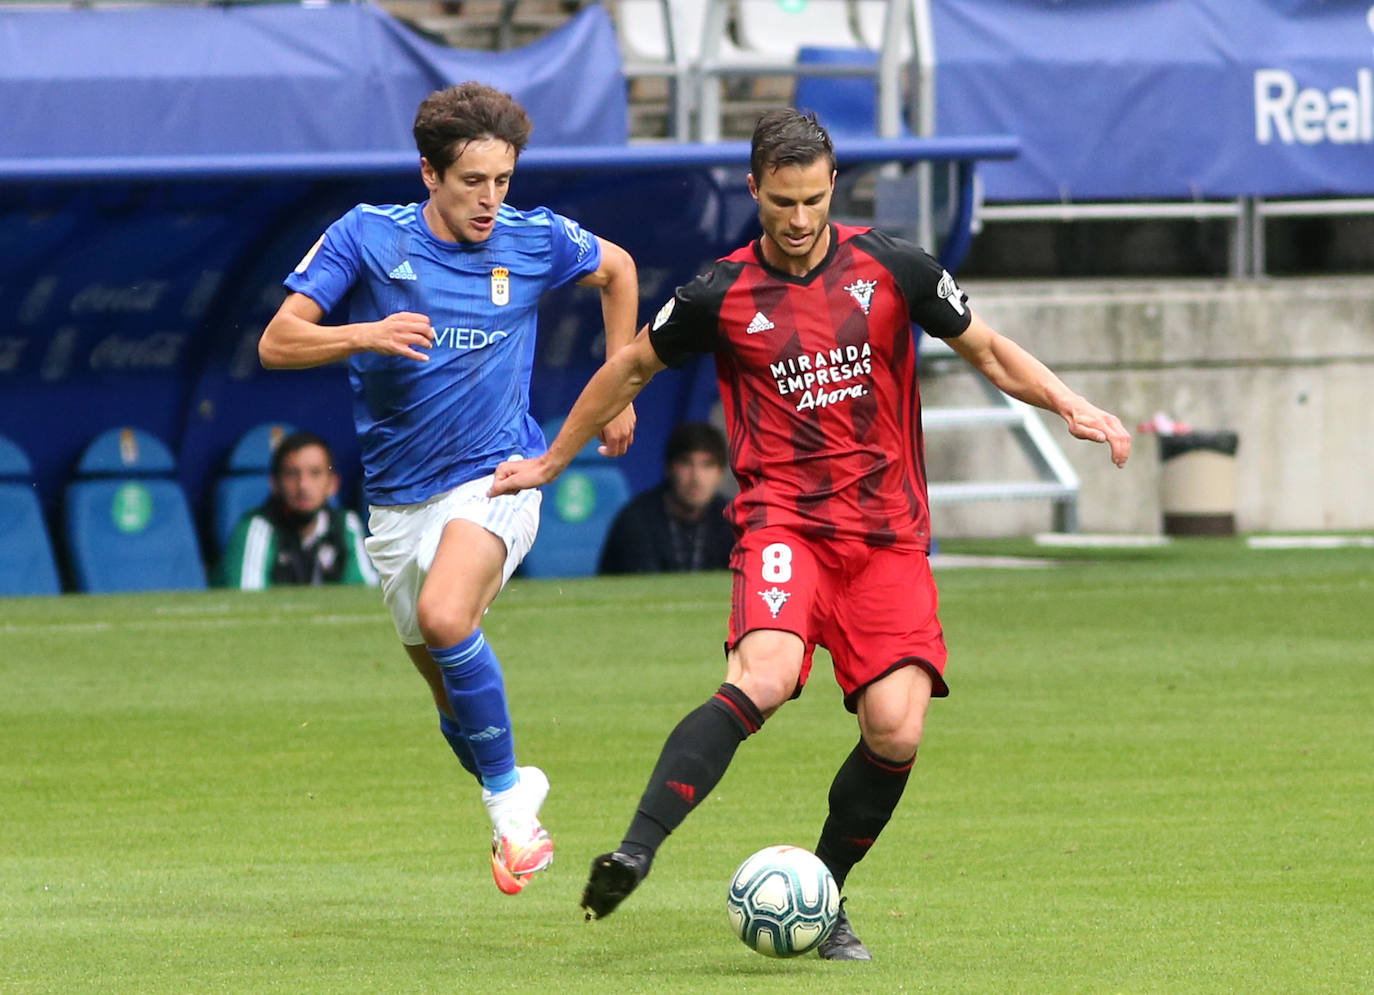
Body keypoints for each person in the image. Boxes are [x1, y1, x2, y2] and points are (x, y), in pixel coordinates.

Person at [491, 108, 1130, 954]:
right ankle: (636, 850)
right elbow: (630, 366)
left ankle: (823, 898)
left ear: (835, 186)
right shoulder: (718, 292)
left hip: (887, 538)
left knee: (896, 726)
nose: (798, 221)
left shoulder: (895, 267)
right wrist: (549, 460)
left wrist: (1074, 403)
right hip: (784, 524)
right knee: (764, 672)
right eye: (781, 202)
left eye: (813, 201)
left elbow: (990, 350)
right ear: (755, 189)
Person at [258, 81, 638, 896]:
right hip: (397, 501)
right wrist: (365, 331)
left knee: (444, 615)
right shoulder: (368, 235)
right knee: (451, 702)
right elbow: (277, 341)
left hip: (498, 474)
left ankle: (508, 808)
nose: (491, 201)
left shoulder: (534, 240)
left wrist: (622, 386)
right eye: (473, 182)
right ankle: (514, 783)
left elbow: (620, 271)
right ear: (428, 173)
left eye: (503, 181)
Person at [216, 431, 378, 590]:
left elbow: (365, 593)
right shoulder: (257, 528)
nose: (303, 486)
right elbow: (248, 602)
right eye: (292, 474)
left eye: (315, 473)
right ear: (274, 484)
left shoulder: (345, 524)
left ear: (332, 484)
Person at [598, 422, 734, 574]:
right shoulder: (638, 519)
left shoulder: (732, 520)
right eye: (686, 463)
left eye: (707, 465)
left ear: (720, 474)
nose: (696, 478)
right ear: (669, 469)